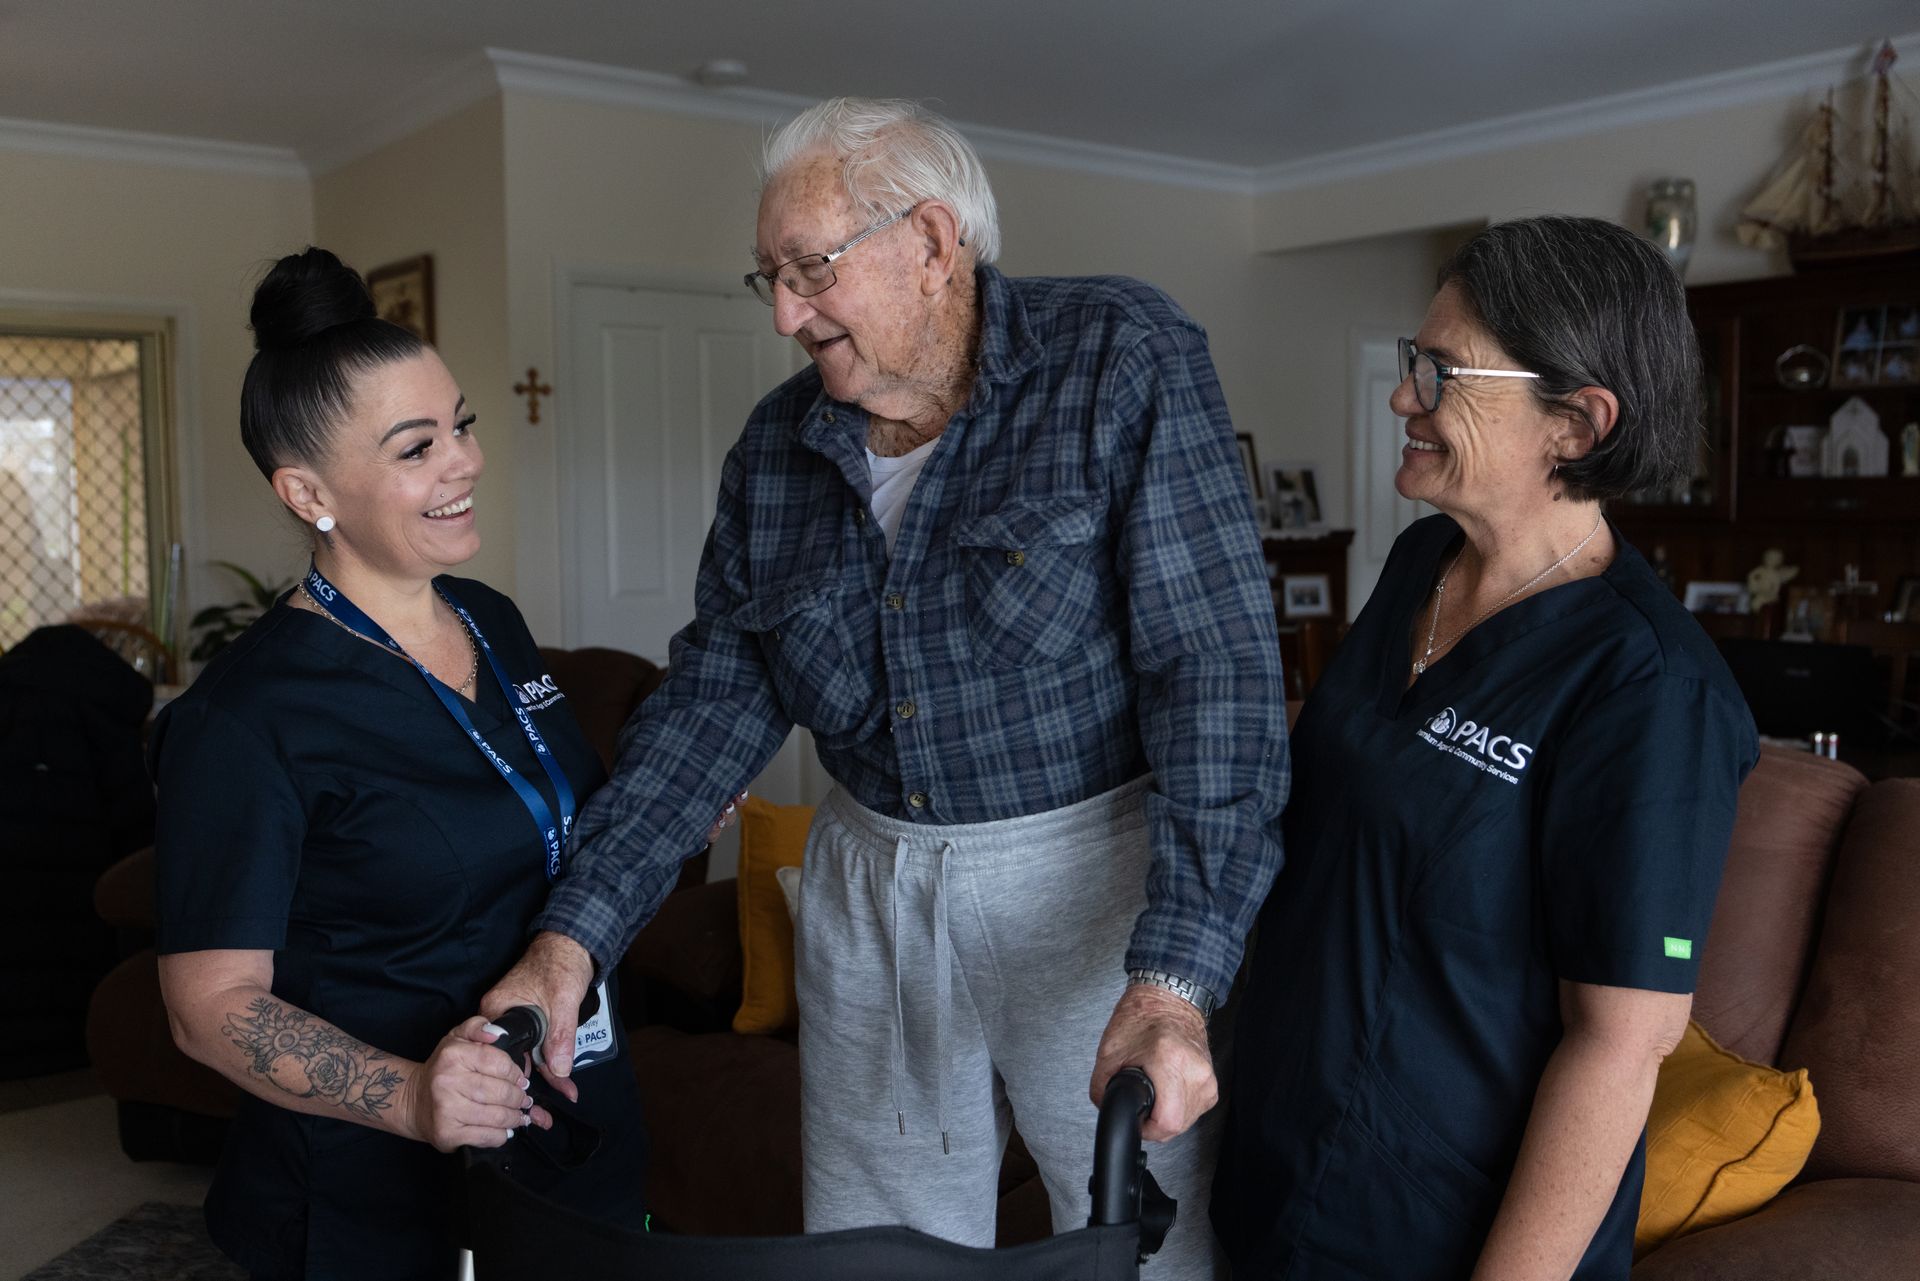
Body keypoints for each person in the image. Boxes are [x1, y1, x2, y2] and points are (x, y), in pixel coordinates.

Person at [484, 97, 1288, 1276]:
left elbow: (1213, 675)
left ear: (930, 240)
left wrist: (1177, 978)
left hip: (1094, 888)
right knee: (874, 1254)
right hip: (872, 886)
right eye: (765, 276)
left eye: (809, 269)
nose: (782, 314)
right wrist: (572, 942)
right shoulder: (776, 450)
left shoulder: (1116, 355)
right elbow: (708, 710)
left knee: (1143, 1246)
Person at [1211, 216, 1760, 1279]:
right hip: (1279, 1189)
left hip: (1435, 1235)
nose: (1401, 397)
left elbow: (1621, 1045)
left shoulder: (1650, 691)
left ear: (1578, 423)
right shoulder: (1421, 562)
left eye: (1439, 371)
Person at [150, 248, 657, 1279]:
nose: (465, 461)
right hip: (368, 1200)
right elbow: (208, 1008)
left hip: (570, 1126)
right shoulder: (246, 720)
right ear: (308, 491)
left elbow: (546, 814)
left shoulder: (492, 620)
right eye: (416, 447)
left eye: (461, 425)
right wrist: (411, 1096)